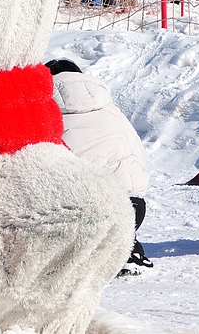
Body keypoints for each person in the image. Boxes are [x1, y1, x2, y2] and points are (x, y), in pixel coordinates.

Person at [47, 58, 153, 275]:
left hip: (72, 212)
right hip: (130, 208)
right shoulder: (110, 109)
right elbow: (139, 157)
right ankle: (126, 246)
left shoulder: (40, 110)